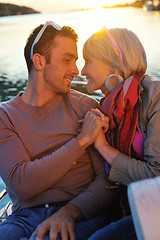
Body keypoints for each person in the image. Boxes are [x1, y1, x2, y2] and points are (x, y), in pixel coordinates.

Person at [0, 22, 120, 240]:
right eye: (67, 60)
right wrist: (81, 140)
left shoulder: (86, 107)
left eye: (76, 60)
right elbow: (21, 185)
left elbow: (107, 182)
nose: (76, 70)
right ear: (39, 61)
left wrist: (69, 213)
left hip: (79, 212)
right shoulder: (5, 116)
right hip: (22, 218)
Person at [78, 27, 160, 239]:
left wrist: (102, 146)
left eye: (88, 60)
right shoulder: (107, 108)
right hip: (125, 206)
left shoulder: (154, 97)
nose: (81, 71)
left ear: (113, 60)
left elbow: (155, 177)